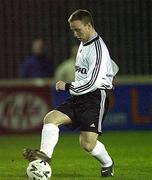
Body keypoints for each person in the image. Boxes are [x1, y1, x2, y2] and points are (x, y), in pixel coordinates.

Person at [23, 9, 119, 177]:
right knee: (51, 119)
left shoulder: (98, 49)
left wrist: (67, 86)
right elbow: (106, 66)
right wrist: (110, 72)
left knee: (87, 144)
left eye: (78, 29)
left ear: (88, 25)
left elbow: (92, 83)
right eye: (72, 30)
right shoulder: (85, 41)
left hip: (95, 97)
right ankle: (44, 158)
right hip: (80, 95)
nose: (75, 34)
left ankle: (108, 163)